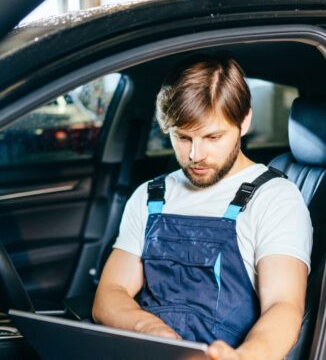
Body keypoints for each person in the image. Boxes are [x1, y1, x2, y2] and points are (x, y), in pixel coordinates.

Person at [92, 53, 312, 360]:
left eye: (213, 136)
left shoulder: (275, 198)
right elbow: (109, 295)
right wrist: (150, 329)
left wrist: (244, 357)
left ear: (244, 120)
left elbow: (284, 307)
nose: (196, 155)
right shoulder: (150, 195)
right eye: (182, 137)